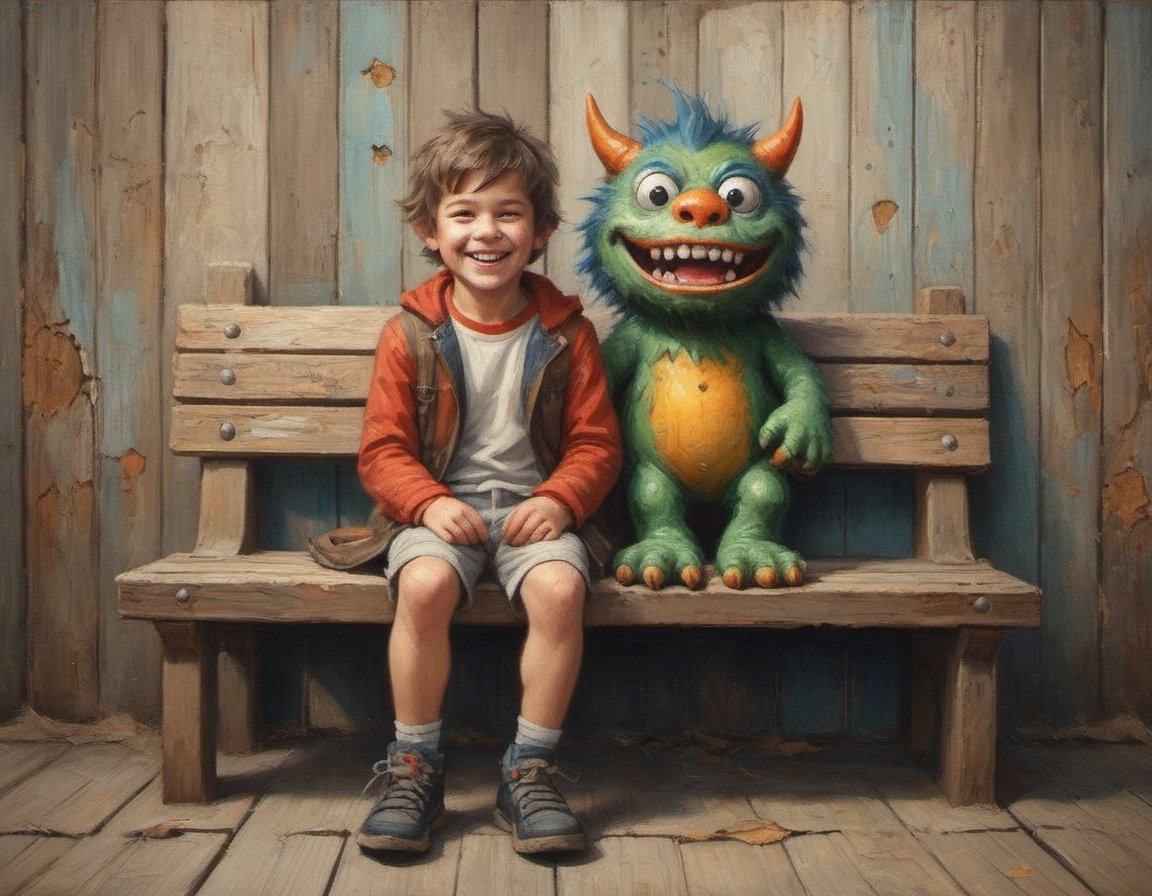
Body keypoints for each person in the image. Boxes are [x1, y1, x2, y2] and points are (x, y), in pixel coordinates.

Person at [356, 109, 622, 857]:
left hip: (535, 517)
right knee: (424, 587)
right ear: (430, 231)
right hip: (438, 514)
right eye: (464, 212)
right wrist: (428, 502)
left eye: (510, 213)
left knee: (562, 592)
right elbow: (382, 451)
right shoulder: (408, 332)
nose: (487, 232)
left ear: (539, 231)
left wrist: (561, 499)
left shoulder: (568, 333)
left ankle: (529, 767)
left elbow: (597, 445)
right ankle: (415, 765)